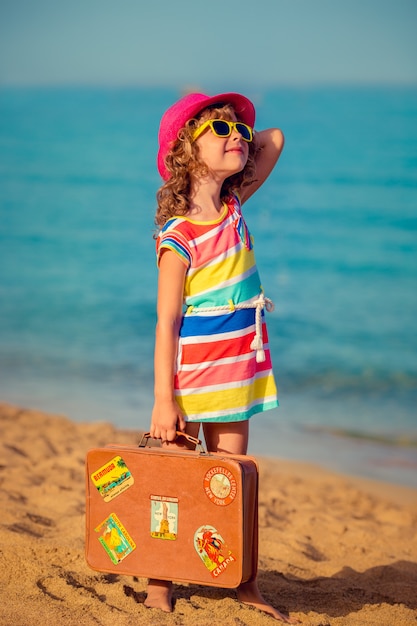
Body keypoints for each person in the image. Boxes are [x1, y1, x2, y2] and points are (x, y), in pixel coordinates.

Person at [146, 91, 295, 623]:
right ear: (187, 149)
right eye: (220, 129)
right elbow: (166, 322)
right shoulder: (180, 235)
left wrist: (232, 139)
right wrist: (164, 401)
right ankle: (159, 582)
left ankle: (244, 582)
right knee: (176, 485)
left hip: (236, 373)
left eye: (240, 129)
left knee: (235, 481)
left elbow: (273, 139)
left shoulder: (234, 206)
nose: (239, 135)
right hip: (190, 379)